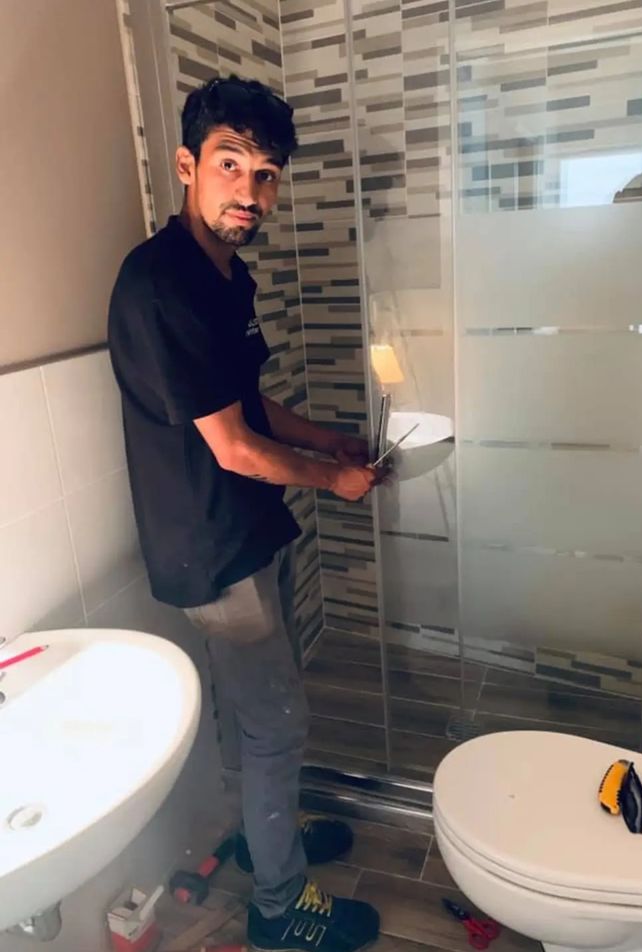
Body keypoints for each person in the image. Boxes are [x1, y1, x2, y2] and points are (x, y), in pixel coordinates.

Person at [108, 75, 384, 952]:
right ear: (188, 165)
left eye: (265, 175)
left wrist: (328, 440)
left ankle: (265, 837)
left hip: (245, 526)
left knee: (262, 712)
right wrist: (332, 479)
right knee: (277, 721)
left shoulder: (226, 275)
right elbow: (232, 446)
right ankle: (278, 907)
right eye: (231, 165)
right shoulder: (163, 285)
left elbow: (248, 405)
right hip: (212, 545)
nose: (250, 192)